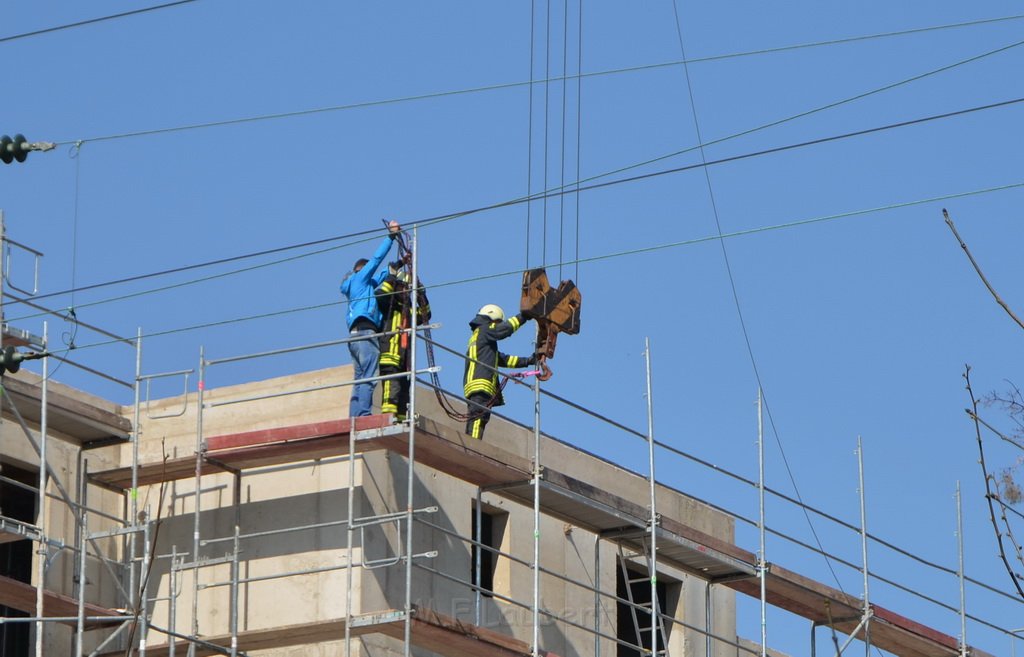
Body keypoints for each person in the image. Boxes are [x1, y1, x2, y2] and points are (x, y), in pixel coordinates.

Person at [340, 220, 400, 417]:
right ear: (362, 270)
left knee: (359, 379)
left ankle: (354, 418)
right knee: (369, 377)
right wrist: (391, 237)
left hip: (355, 336)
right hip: (366, 334)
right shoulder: (359, 278)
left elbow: (381, 275)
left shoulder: (360, 287)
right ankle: (364, 416)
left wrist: (396, 267)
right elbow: (376, 261)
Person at [463, 304, 536, 440]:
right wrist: (524, 317)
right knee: (479, 417)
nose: (496, 326)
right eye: (496, 323)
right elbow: (505, 330)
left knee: (476, 418)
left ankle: (471, 444)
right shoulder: (485, 330)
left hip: (475, 384)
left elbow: (504, 360)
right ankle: (473, 447)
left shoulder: (480, 338)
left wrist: (528, 361)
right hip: (481, 383)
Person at [376, 258, 430, 421]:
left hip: (405, 358)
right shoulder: (389, 304)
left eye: (408, 289)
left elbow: (426, 315)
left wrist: (421, 293)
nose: (406, 291)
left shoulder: (410, 311)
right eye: (403, 287)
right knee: (392, 389)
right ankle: (388, 419)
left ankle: (399, 419)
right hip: (390, 355)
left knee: (404, 391)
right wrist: (392, 278)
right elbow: (380, 294)